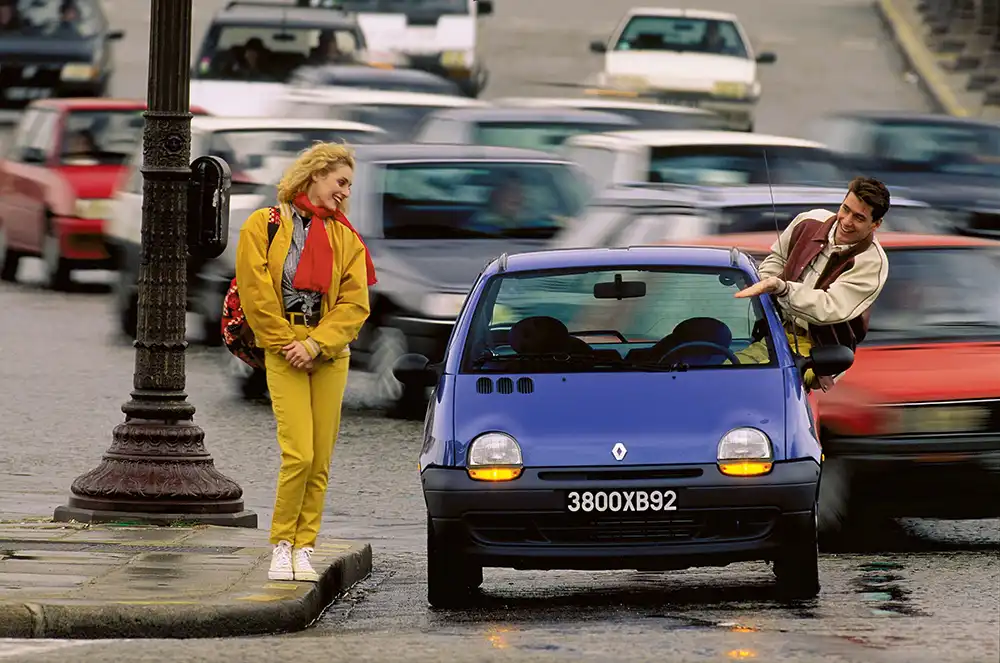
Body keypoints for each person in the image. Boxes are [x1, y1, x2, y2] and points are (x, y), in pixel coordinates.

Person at [235, 142, 377, 582]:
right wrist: (286, 343)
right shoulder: (265, 224)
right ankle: (281, 543)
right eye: (341, 182)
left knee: (321, 459)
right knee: (298, 453)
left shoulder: (345, 237)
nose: (345, 193)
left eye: (349, 185)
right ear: (315, 175)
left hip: (328, 353)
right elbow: (254, 292)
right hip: (283, 347)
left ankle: (304, 547)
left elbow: (355, 304)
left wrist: (317, 345)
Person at [729, 176, 891, 391]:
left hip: (817, 349)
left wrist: (781, 288)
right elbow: (778, 258)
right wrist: (764, 284)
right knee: (724, 370)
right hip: (772, 328)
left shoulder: (872, 263)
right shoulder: (809, 220)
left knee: (762, 386)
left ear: (876, 224)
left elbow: (828, 308)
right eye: (845, 209)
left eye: (859, 218)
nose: (846, 221)